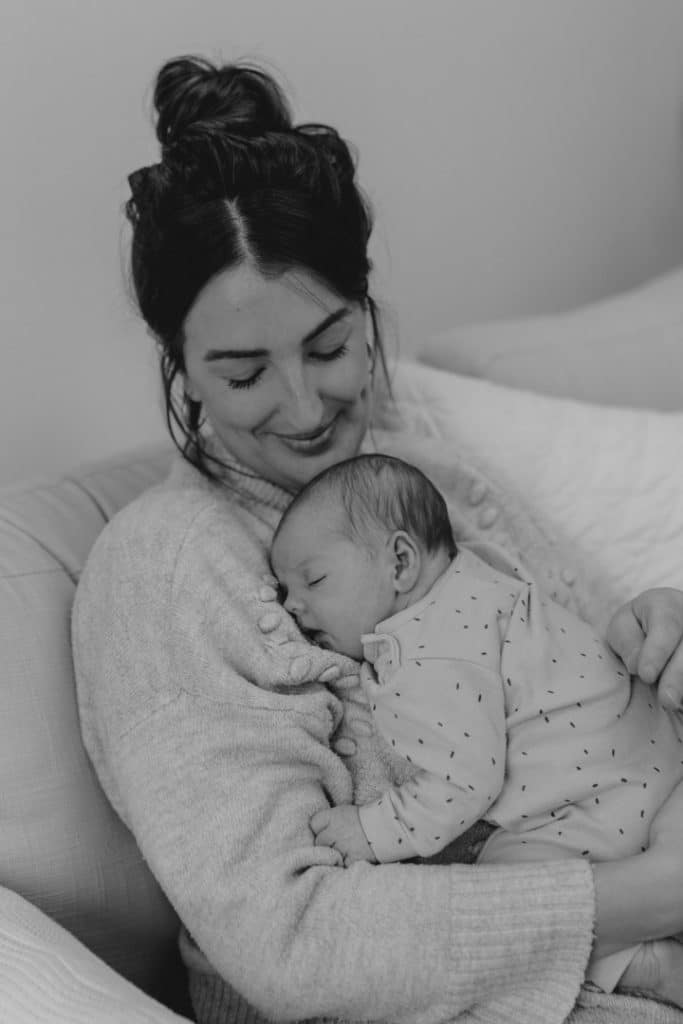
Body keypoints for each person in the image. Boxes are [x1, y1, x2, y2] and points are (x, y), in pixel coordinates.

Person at [71, 54, 683, 1024]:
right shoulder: (168, 568)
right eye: (242, 372)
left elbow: (591, 678)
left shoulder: (432, 479)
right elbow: (292, 937)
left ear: (365, 312)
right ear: (180, 369)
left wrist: (651, 633)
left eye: (326, 346)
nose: (307, 406)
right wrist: (654, 893)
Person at [270, 451, 683, 1005]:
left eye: (313, 580)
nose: (294, 607)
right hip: (664, 763)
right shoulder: (492, 576)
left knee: (495, 887)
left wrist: (371, 830)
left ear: (400, 562)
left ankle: (643, 962)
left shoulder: (422, 656)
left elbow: (465, 782)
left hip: (600, 820)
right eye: (283, 593)